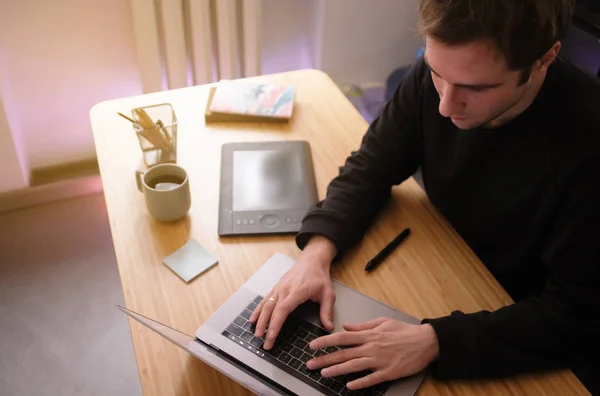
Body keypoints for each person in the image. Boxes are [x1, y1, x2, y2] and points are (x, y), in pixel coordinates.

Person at [250, 0, 600, 393]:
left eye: (475, 87)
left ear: (544, 58)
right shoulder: (438, 77)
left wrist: (434, 342)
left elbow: (576, 314)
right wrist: (316, 253)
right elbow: (373, 164)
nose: (446, 104)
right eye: (437, 74)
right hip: (445, 264)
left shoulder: (588, 142)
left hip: (512, 321)